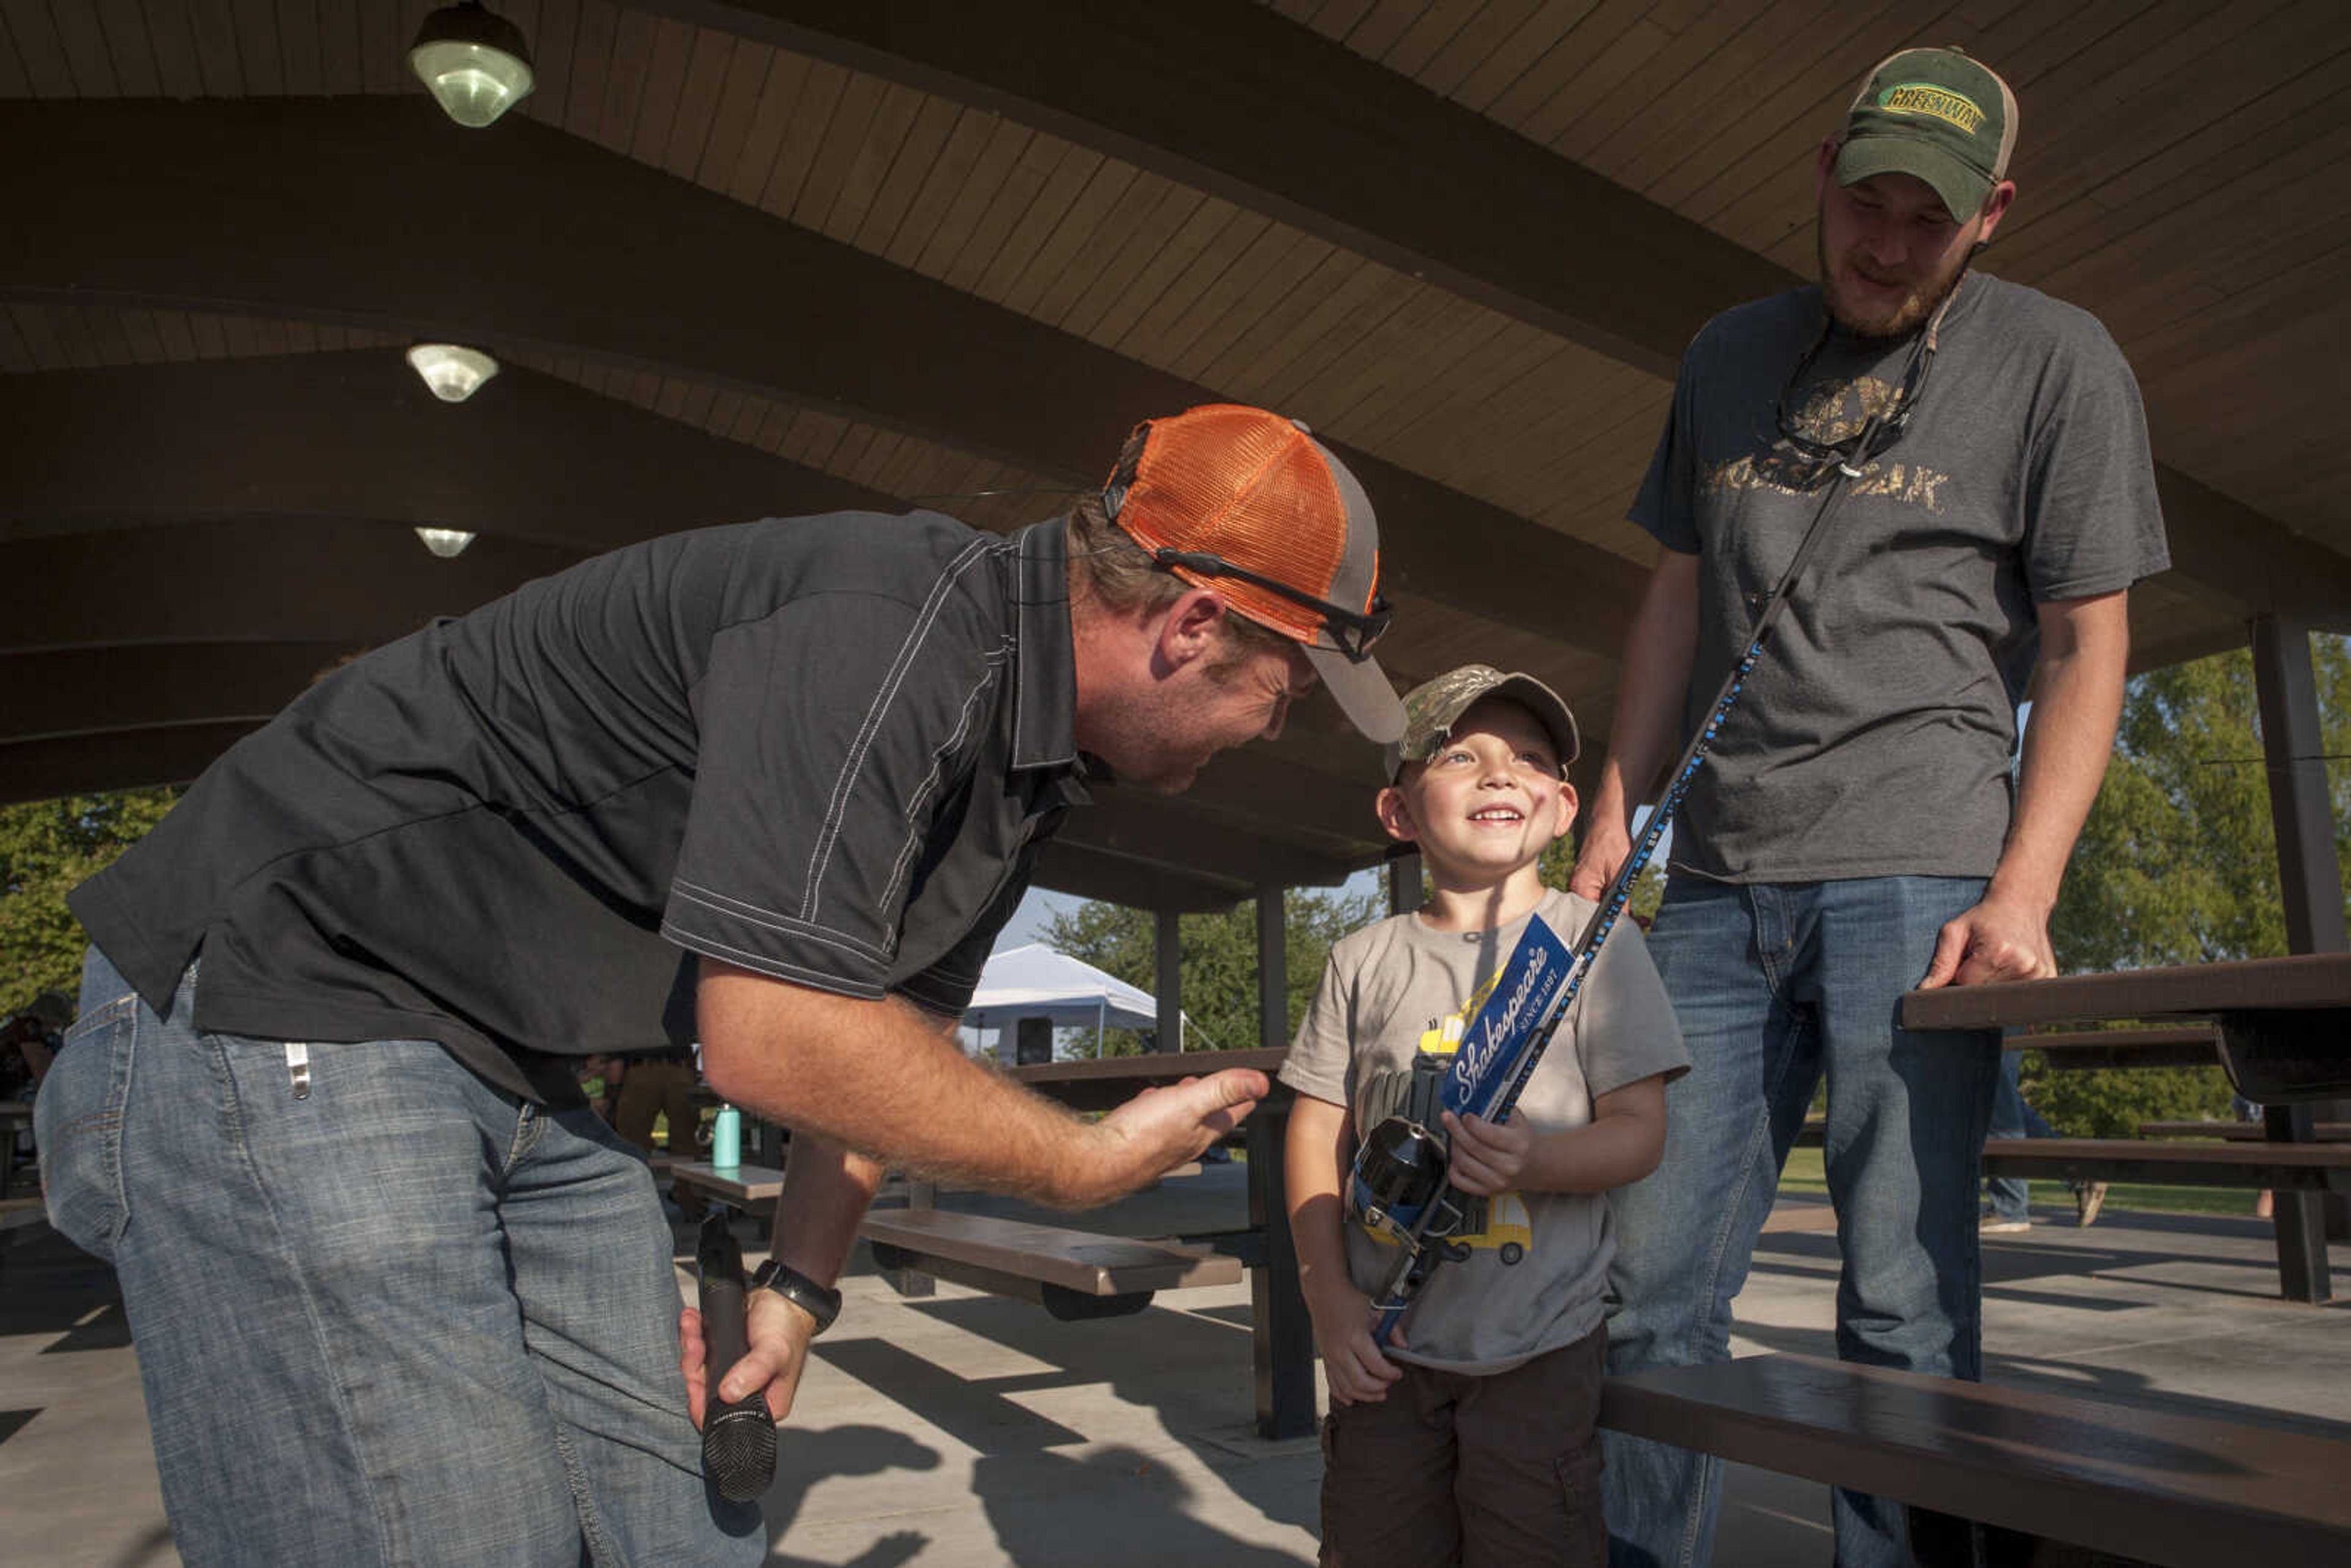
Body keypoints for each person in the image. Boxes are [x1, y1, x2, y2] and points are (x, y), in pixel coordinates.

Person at [37, 402, 1406, 1567]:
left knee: (679, 1519)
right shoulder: (897, 630)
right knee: (447, 1525)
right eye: (1283, 693)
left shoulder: (1032, 762)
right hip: (294, 984)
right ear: (1190, 624)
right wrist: (1084, 1158)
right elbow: (768, 1035)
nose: (1271, 730)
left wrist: (799, 1288)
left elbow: (887, 1041)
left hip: (511, 1054)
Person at [1566, 47, 2170, 1567]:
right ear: (1820, 171)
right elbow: (1671, 599)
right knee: (1645, 1293)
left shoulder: (2057, 358)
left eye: (1928, 219)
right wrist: (1605, 828)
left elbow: (2088, 640)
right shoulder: (1722, 354)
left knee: (1901, 1298)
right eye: (1867, 201)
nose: (1886, 243)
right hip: (1706, 885)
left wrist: (2020, 891)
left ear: (1992, 216)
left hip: (1918, 880)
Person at [1283, 666, 1689, 1567]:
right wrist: (1329, 1301)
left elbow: (1640, 1132)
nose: (1499, 774)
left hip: (1539, 1351)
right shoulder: (1360, 958)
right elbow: (1315, 1130)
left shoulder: (1601, 942)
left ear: (1562, 806)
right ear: (1398, 812)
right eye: (1461, 754)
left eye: (1528, 759)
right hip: (1384, 1349)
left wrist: (1531, 1163)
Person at [1982, 1046, 2103, 1232]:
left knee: (1996, 1093)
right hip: (1998, 1022)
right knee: (2001, 1096)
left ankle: (2010, 1206)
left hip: (1993, 1021)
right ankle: (2079, 1174)